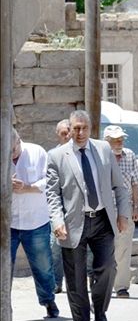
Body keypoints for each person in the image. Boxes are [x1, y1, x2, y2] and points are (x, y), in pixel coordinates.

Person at [46, 110, 130, 321]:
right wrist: (57, 220)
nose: (80, 132)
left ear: (91, 128)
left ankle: (100, 310)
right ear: (69, 129)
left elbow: (119, 187)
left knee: (106, 268)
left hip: (102, 219)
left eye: (84, 128)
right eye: (76, 128)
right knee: (75, 275)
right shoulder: (56, 156)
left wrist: (123, 214)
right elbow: (52, 193)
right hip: (74, 222)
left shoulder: (104, 150)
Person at [11, 128, 59, 318]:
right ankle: (4, 307)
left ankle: (49, 301)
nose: (11, 154)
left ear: (18, 141)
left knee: (43, 265)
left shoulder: (37, 152)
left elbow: (49, 180)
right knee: (4, 267)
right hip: (8, 222)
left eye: (13, 150)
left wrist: (27, 188)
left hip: (35, 220)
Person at [103, 125, 138, 299]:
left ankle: (121, 286)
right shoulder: (100, 156)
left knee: (124, 248)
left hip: (124, 209)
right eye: (115, 140)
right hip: (103, 209)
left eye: (121, 139)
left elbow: (135, 183)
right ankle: (103, 283)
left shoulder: (130, 155)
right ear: (107, 141)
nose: (119, 143)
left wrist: (135, 207)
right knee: (104, 248)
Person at [50, 119, 71, 293]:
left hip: (77, 208)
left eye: (69, 132)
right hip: (58, 208)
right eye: (63, 133)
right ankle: (57, 282)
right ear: (58, 135)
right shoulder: (52, 155)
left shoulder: (80, 153)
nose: (67, 136)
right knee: (55, 247)